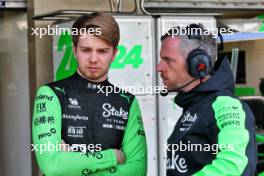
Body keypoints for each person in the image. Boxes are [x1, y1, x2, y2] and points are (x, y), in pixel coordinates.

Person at [32, 12, 147, 176]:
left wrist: (71, 163)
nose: (93, 59)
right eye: (86, 50)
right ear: (74, 50)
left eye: (102, 51)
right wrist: (113, 156)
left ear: (114, 53)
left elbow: (137, 171)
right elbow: (51, 166)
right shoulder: (50, 94)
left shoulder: (127, 101)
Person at [157, 24, 257, 175]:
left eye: (168, 60)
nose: (159, 67)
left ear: (197, 64)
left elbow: (234, 167)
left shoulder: (225, 105)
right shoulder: (194, 105)